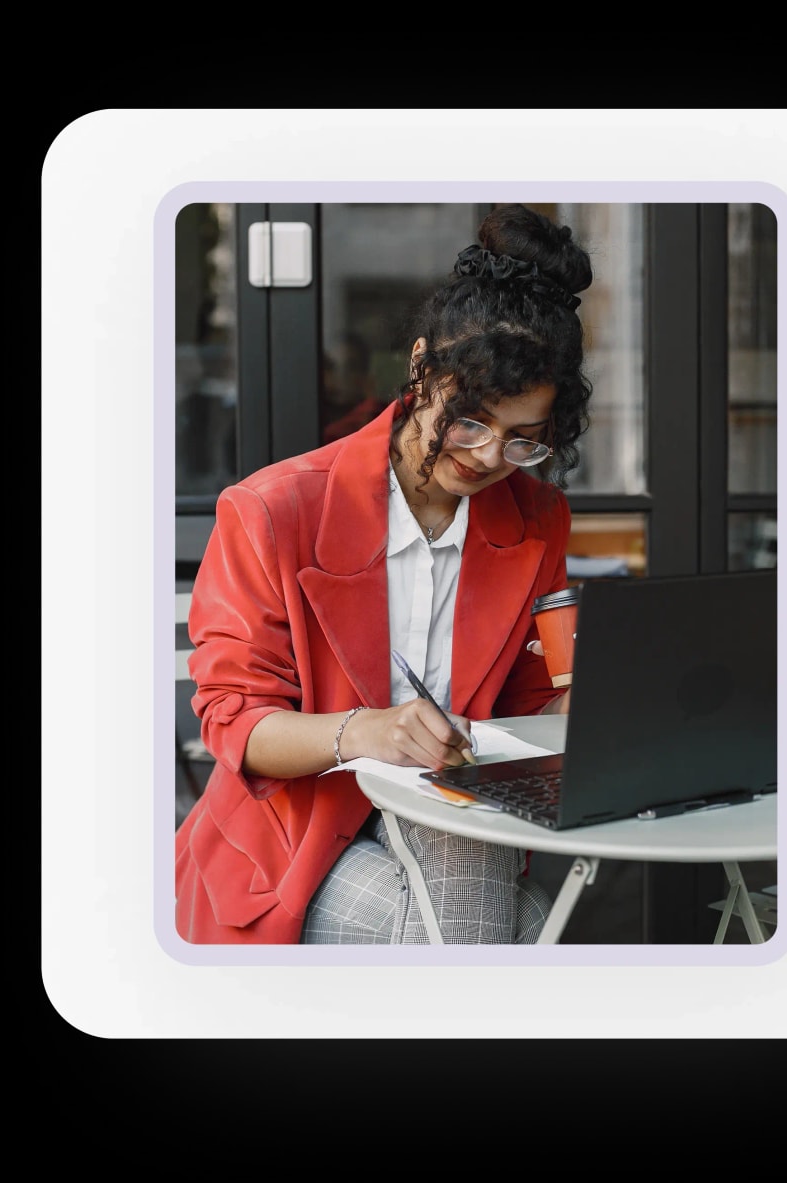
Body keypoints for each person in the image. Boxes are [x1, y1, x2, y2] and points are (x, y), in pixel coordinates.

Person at [175, 203, 594, 944]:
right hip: (292, 837)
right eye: (469, 420)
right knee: (523, 935)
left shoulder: (534, 519)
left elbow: (531, 706)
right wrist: (370, 731)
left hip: (450, 816)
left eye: (524, 440)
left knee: (476, 909)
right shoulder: (273, 510)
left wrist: (592, 704)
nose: (490, 457)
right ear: (420, 365)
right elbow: (235, 722)